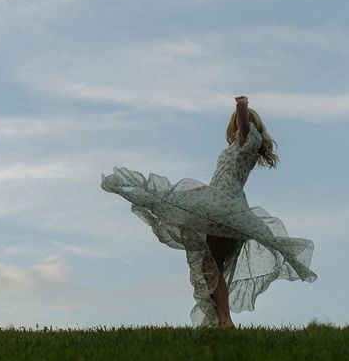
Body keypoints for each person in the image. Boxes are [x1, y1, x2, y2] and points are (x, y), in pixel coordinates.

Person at [101, 96, 317, 328]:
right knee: (211, 266)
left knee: (210, 265)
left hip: (224, 208)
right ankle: (223, 319)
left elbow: (244, 126)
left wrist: (241, 106)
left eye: (241, 123)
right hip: (220, 208)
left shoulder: (248, 143)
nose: (238, 126)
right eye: (235, 122)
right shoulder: (233, 148)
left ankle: (225, 319)